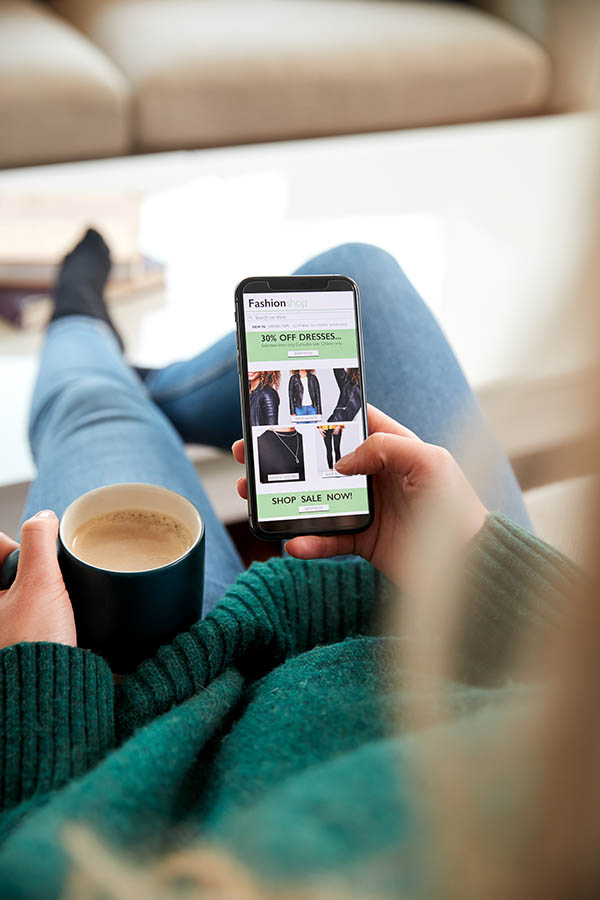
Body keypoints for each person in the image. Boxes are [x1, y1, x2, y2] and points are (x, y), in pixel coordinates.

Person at [0, 232, 580, 898]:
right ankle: (152, 391)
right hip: (477, 632)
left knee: (89, 405)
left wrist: (32, 687)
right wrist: (477, 558)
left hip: (189, 725)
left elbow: (40, 874)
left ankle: (86, 328)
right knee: (363, 274)